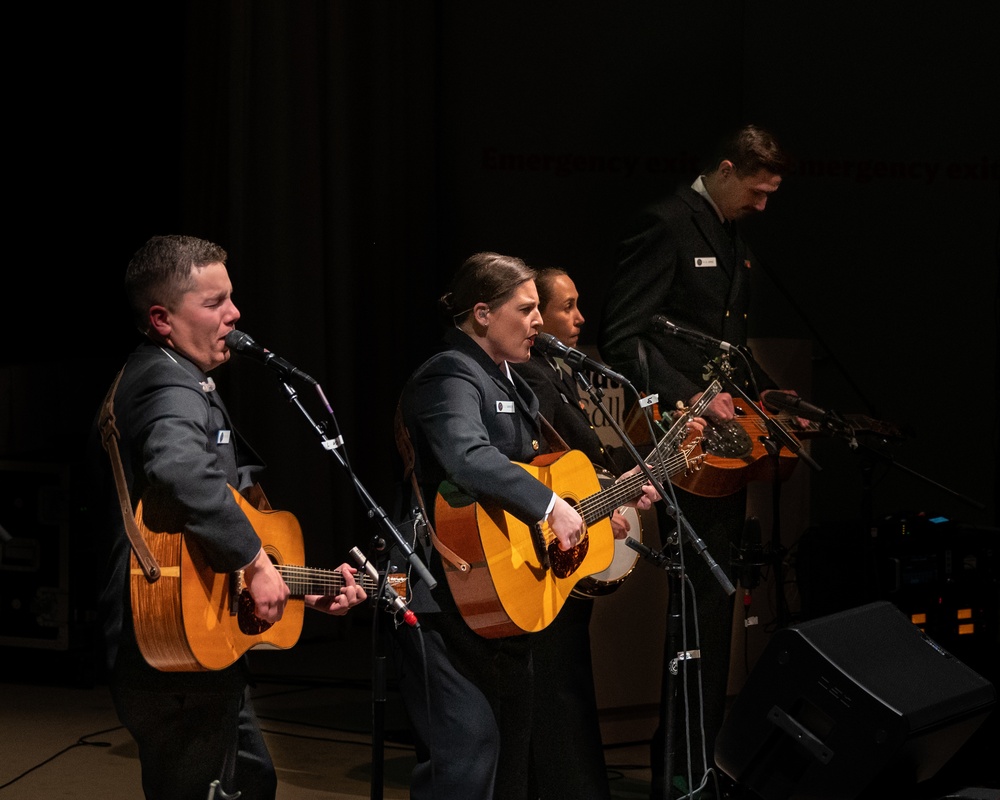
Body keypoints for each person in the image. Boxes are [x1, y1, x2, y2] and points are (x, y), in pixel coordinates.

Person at [88, 234, 367, 800]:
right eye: (214, 303)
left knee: (250, 781)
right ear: (162, 318)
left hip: (185, 644)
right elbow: (181, 472)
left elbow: (199, 518)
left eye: (231, 298)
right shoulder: (170, 384)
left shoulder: (176, 374)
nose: (234, 314)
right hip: (167, 646)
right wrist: (254, 562)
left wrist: (291, 583)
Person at [391, 252, 658, 800]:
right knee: (468, 762)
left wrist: (611, 497)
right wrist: (549, 506)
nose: (539, 321)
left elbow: (545, 475)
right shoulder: (449, 372)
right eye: (527, 308)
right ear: (483, 313)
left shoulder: (514, 382)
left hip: (505, 601)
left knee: (511, 764)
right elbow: (466, 455)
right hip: (447, 598)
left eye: (540, 309)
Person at [598, 124, 796, 799]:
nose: (763, 206)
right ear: (724, 168)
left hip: (726, 447)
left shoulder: (728, 231)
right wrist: (684, 402)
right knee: (700, 602)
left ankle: (696, 764)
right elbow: (625, 334)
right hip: (680, 445)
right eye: (757, 190)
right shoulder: (667, 225)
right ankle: (682, 769)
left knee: (717, 604)